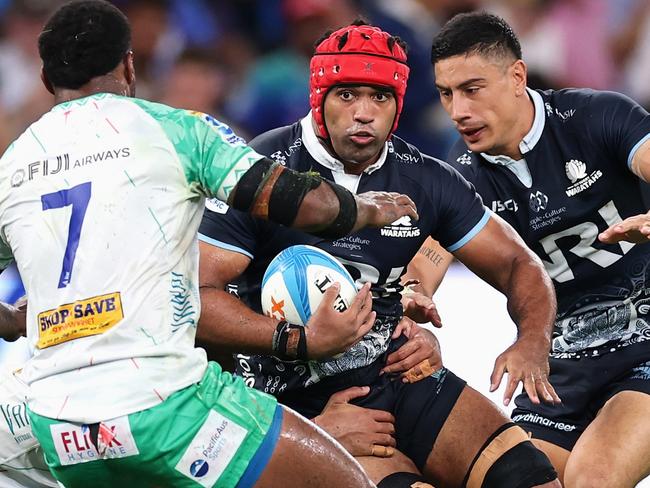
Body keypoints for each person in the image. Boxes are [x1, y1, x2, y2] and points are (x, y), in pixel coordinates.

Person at [0, 1, 423, 486]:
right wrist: (368, 209)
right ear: (130, 64)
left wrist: (14, 319)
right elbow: (300, 204)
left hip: (58, 429)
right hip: (166, 406)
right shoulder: (175, 130)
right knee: (346, 482)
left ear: (46, 80)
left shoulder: (12, 167)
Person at [198, 19, 562, 488]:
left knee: (532, 479)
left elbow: (518, 264)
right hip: (301, 403)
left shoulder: (425, 180)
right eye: (347, 94)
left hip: (399, 375)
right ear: (318, 98)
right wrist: (301, 407)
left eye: (380, 97)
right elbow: (199, 300)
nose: (364, 113)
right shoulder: (263, 169)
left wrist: (532, 341)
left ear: (398, 105)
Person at [431, 11, 650, 487]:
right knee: (522, 481)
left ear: (516, 77)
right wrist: (409, 296)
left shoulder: (597, 117)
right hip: (559, 363)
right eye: (446, 94)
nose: (457, 111)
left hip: (645, 341)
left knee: (593, 479)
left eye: (472, 89)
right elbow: (423, 262)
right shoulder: (461, 175)